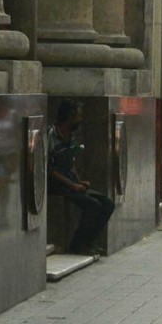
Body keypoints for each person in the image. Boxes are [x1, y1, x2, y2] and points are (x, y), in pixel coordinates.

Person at [45, 100, 116, 255]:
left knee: (107, 204)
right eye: (78, 116)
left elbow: (71, 162)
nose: (81, 119)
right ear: (69, 117)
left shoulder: (72, 136)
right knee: (92, 205)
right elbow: (50, 170)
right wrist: (72, 185)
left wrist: (79, 181)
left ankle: (90, 241)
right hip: (57, 184)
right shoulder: (50, 135)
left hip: (71, 182)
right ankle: (77, 245)